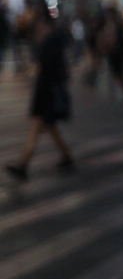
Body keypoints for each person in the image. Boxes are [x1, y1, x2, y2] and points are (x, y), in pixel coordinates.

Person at [5, 12, 74, 180]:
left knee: (38, 128)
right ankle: (66, 156)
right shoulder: (53, 40)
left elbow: (43, 69)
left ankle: (23, 164)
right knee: (49, 128)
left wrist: (30, 78)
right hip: (48, 91)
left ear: (44, 24)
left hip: (46, 93)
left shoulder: (49, 42)